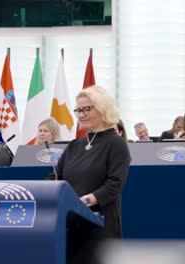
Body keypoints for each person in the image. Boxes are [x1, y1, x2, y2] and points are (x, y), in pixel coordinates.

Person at [54, 85, 131, 264]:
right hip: (71, 229)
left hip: (100, 230)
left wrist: (81, 203)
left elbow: (114, 184)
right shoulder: (74, 146)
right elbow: (55, 178)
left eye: (87, 109)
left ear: (103, 109)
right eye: (78, 110)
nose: (81, 114)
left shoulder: (116, 143)